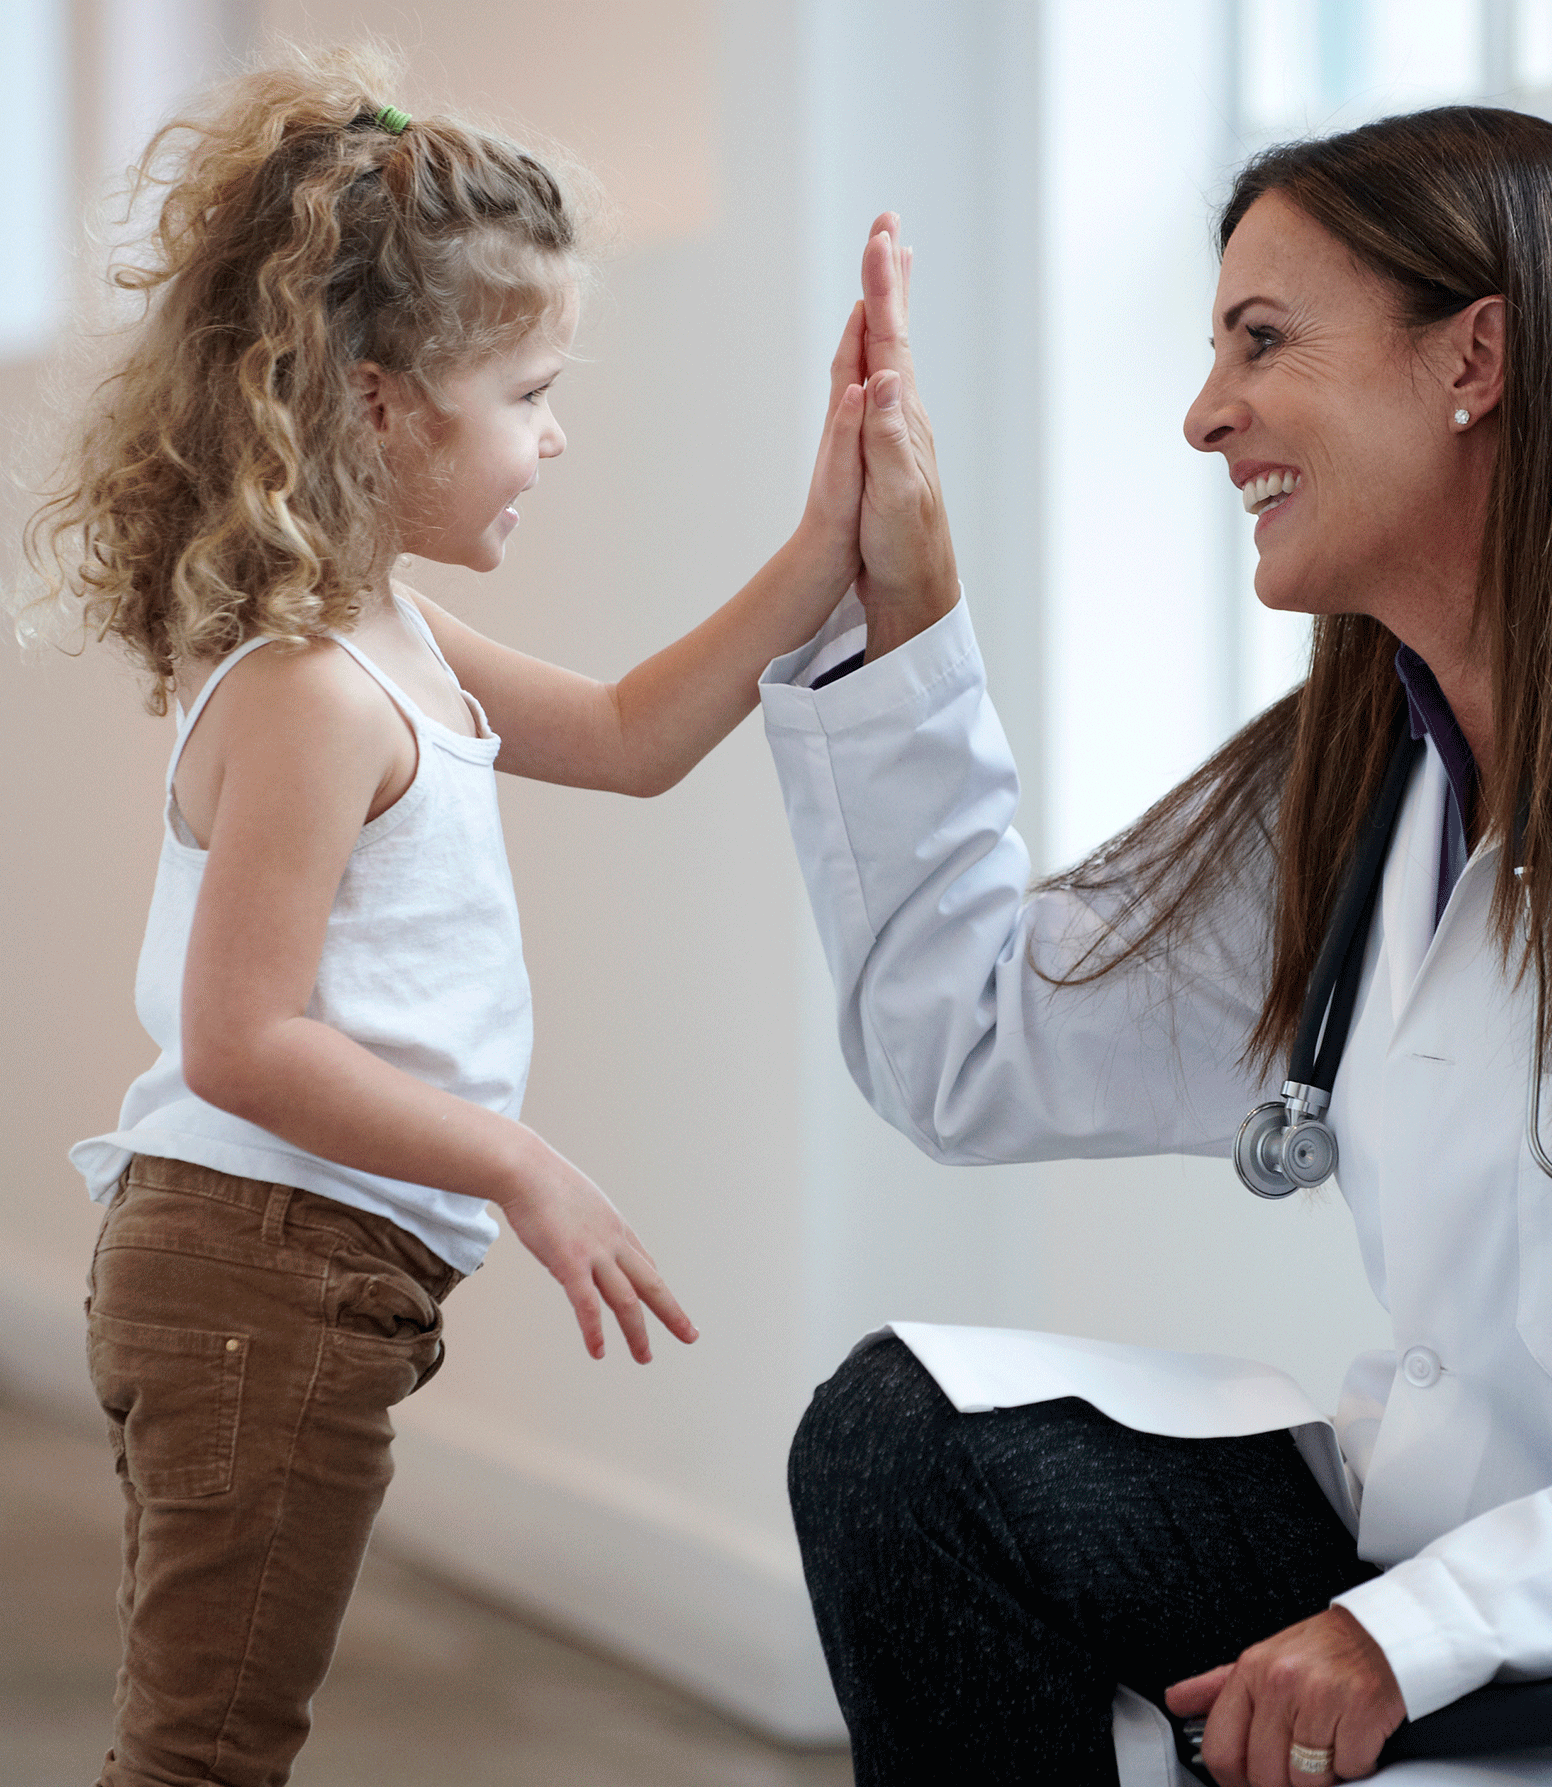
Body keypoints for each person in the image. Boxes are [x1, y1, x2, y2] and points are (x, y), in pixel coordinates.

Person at [764, 110, 1552, 1786]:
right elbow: (967, 1044)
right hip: (1416, 1540)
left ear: (1476, 358)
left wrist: (1416, 1630)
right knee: (906, 1445)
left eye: (1261, 340)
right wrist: (902, 622)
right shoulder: (1356, 780)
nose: (1204, 412)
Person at [15, 48, 873, 1787]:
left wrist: (822, 546)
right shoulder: (316, 692)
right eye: (529, 390)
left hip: (294, 1272)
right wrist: (515, 1162)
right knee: (203, 1749)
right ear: (385, 401)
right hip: (260, 1267)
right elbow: (241, 1036)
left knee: (211, 1730)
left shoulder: (390, 633)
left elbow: (632, 739)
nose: (555, 434)